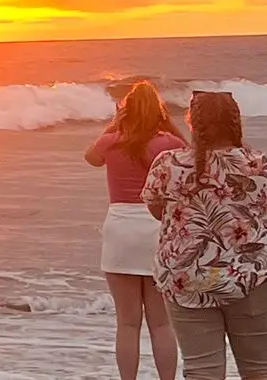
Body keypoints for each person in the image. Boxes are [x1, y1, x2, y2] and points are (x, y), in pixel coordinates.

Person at [141, 90, 267, 379]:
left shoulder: (168, 164)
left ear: (192, 122)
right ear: (236, 121)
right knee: (263, 370)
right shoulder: (259, 162)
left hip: (188, 280)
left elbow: (157, 211)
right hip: (251, 277)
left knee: (201, 370)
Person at [82, 81, 185, 380]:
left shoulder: (112, 140)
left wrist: (115, 123)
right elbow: (188, 152)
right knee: (162, 323)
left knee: (128, 323)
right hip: (157, 228)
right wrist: (168, 123)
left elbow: (91, 157)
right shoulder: (168, 142)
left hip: (121, 228)